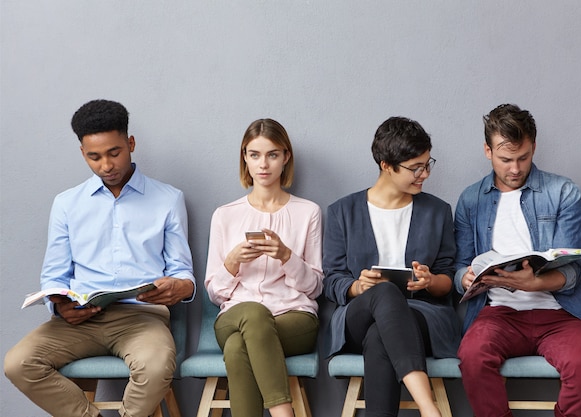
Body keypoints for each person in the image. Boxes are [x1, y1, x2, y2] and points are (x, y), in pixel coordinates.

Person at [4, 99, 196, 417]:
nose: (106, 165)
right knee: (18, 363)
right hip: (79, 321)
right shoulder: (66, 204)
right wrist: (59, 306)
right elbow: (54, 275)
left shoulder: (168, 199)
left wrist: (180, 287)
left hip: (141, 319)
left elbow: (182, 271)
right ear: (83, 153)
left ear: (130, 144)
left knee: (157, 366)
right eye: (94, 157)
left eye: (114, 153)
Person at [454, 103, 581, 417]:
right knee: (472, 357)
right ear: (488, 151)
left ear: (534, 147)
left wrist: (534, 283)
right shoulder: (471, 200)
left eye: (523, 157)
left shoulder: (564, 192)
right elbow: (459, 265)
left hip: (560, 315)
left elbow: (573, 272)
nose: (515, 168)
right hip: (499, 314)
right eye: (505, 159)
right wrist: (466, 278)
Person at [323, 116, 461, 417]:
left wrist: (429, 281)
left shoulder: (437, 211)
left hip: (423, 316)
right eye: (415, 168)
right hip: (358, 313)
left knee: (379, 338)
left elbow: (448, 280)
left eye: (427, 164)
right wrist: (357, 286)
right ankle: (429, 408)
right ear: (386, 165)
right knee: (384, 294)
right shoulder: (342, 212)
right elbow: (331, 279)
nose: (424, 174)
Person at [205, 118, 323, 417]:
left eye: (272, 154)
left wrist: (286, 256)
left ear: (286, 157)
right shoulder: (225, 215)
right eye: (254, 154)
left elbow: (315, 287)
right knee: (253, 314)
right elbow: (216, 294)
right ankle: (284, 413)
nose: (264, 164)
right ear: (245, 157)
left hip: (294, 318)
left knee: (236, 348)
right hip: (236, 315)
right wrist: (232, 261)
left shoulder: (307, 212)